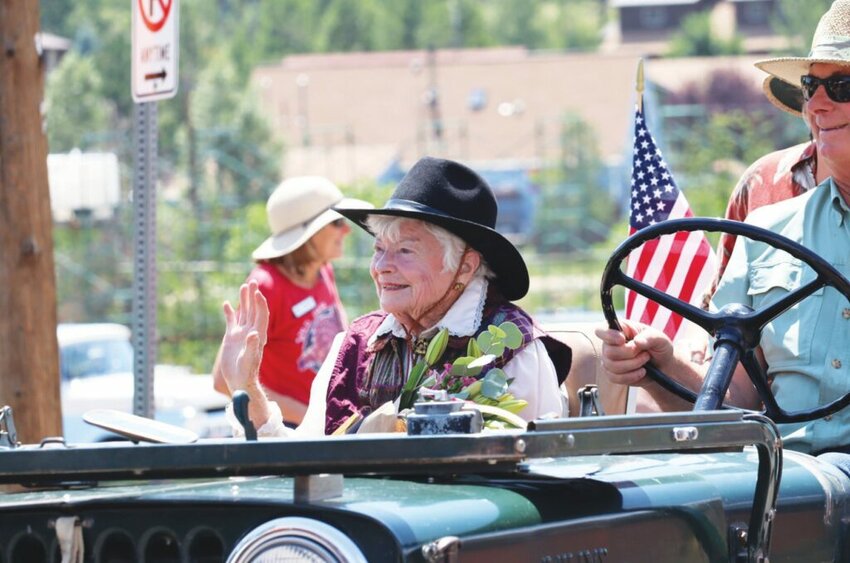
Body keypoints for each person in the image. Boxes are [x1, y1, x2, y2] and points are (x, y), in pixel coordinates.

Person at [596, 0, 850, 455]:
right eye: (810, 85)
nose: (814, 103)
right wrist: (664, 364)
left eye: (841, 86)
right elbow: (731, 404)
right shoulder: (770, 230)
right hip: (784, 476)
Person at [218, 156, 572, 436]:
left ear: (465, 267)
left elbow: (534, 481)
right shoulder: (353, 346)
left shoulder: (513, 349)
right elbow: (302, 465)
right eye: (378, 249)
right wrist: (247, 388)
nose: (382, 267)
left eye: (405, 250)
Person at [212, 176, 371, 426]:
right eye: (337, 222)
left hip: (322, 427)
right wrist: (311, 416)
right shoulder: (266, 285)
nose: (347, 229)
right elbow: (224, 380)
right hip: (285, 433)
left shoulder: (323, 271)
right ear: (311, 232)